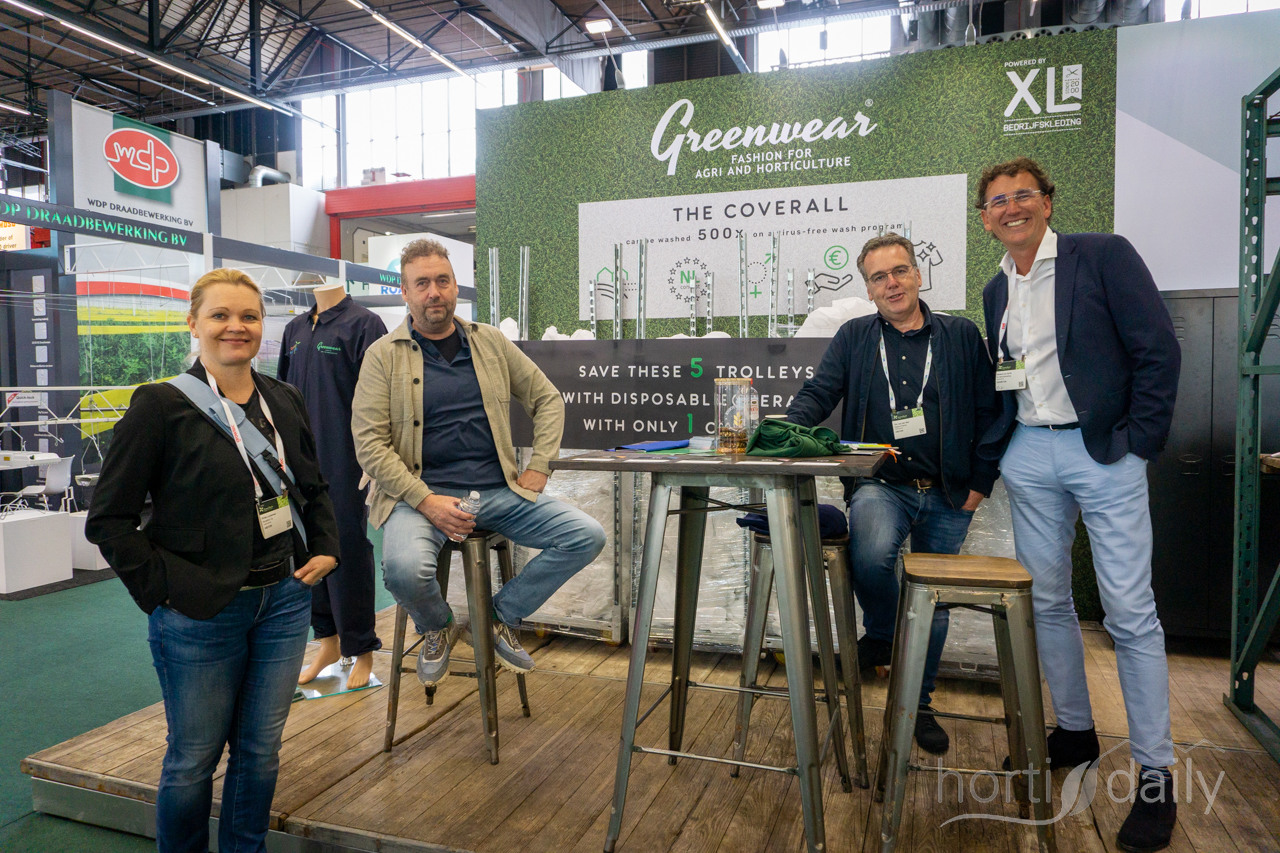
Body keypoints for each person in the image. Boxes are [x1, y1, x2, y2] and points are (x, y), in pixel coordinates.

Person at [86, 268, 340, 853]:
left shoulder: (283, 398)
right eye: (220, 315)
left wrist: (326, 545)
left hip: (283, 601)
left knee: (260, 750)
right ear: (194, 324)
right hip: (200, 612)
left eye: (249, 316)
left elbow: (312, 486)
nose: (236, 327)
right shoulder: (160, 406)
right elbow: (109, 519)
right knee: (193, 757)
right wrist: (166, 591)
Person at [976, 157, 1180, 853]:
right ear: (985, 220)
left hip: (1104, 451)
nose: (1011, 207)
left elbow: (1158, 350)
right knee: (1047, 601)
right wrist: (1006, 452)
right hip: (1031, 452)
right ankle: (1074, 729)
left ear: (1048, 202)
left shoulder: (1102, 257)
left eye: (1023, 195)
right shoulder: (995, 289)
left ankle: (1156, 772)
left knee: (1128, 610)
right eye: (997, 201)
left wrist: (1139, 443)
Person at [352, 238, 605, 685]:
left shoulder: (489, 342)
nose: (434, 292)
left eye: (443, 281)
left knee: (585, 536)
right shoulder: (382, 356)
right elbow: (369, 444)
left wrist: (541, 464)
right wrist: (426, 500)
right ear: (405, 292)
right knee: (405, 572)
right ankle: (437, 626)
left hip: (498, 491)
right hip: (418, 497)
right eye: (422, 284)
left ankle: (496, 617)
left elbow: (548, 399)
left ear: (456, 286)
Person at [787, 232, 999, 755]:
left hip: (949, 492)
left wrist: (980, 484)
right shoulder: (855, 336)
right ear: (869, 288)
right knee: (871, 555)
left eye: (900, 271)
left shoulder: (960, 335)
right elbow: (819, 393)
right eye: (879, 277)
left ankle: (918, 704)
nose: (892, 283)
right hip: (881, 484)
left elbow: (990, 412)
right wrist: (781, 430)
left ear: (918, 275)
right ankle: (883, 631)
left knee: (934, 602)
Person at [279, 281, 388, 689]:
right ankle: (327, 640)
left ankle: (361, 647)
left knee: (347, 547)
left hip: (346, 458)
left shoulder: (365, 325)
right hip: (299, 460)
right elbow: (281, 395)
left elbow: (382, 399)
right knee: (306, 547)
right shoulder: (294, 329)